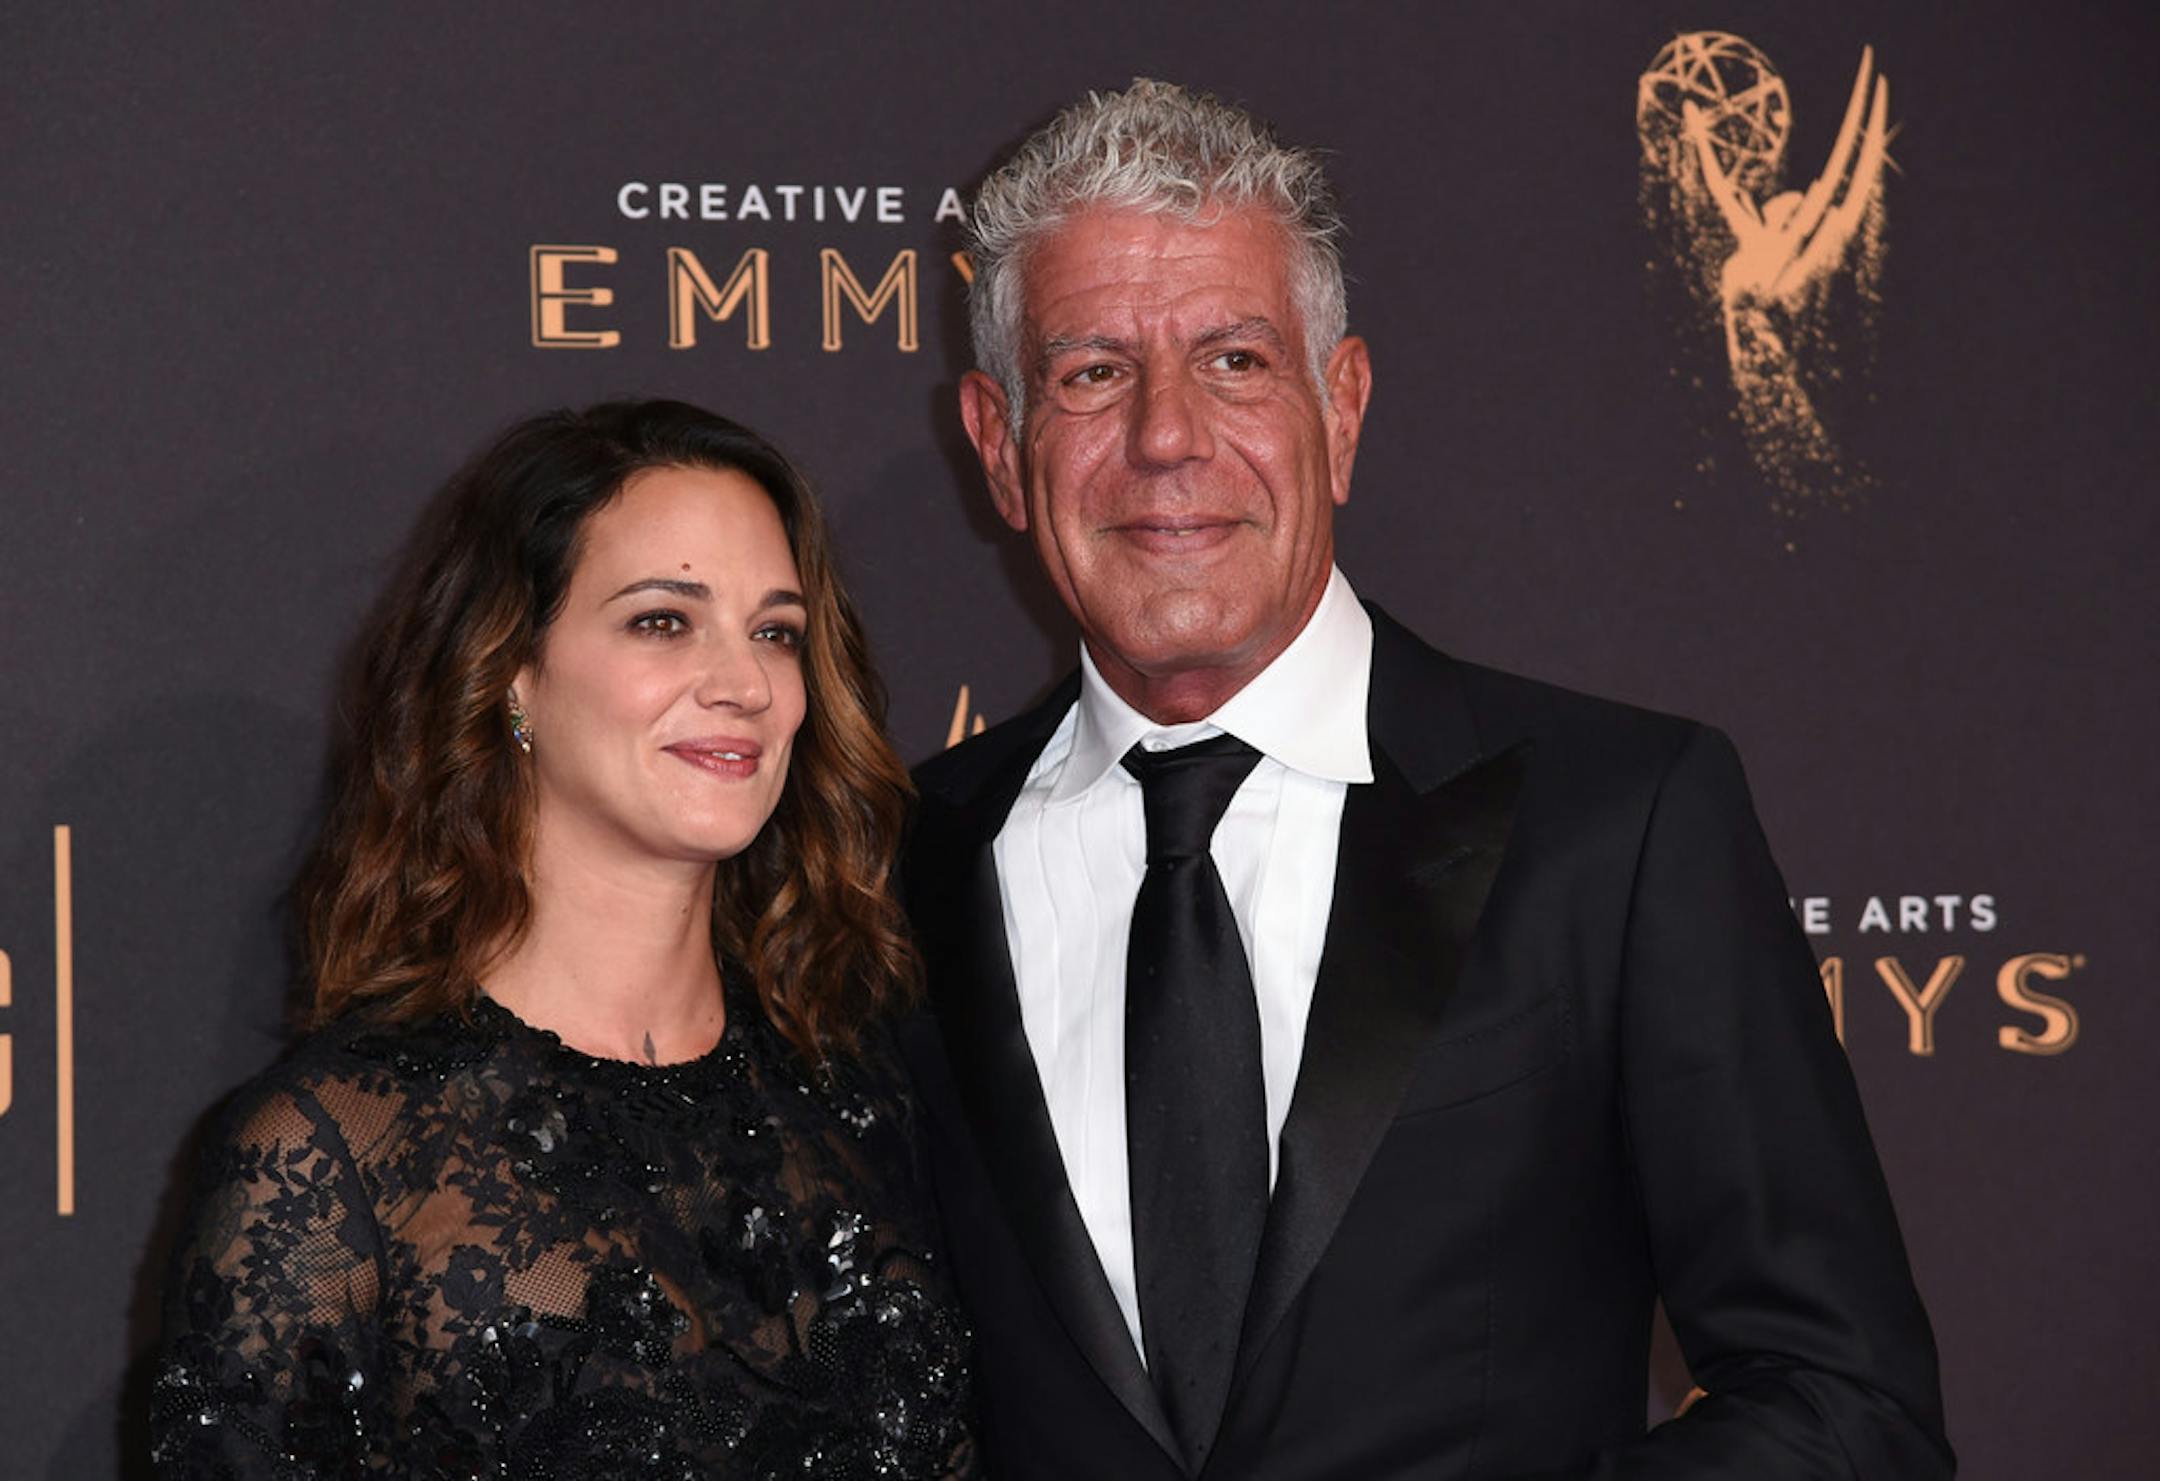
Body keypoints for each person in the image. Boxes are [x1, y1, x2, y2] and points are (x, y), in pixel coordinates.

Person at [900, 80, 1951, 1478]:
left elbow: (1846, 1403)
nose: (1165, 439)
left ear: (1340, 410)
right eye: (1093, 371)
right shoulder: (889, 868)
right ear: (998, 445)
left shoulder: (1621, 823)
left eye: (1234, 361)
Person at [152, 400, 976, 1477]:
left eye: (776, 629)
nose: (746, 684)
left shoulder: (862, 1098)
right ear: (513, 675)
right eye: (663, 620)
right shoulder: (334, 1157)